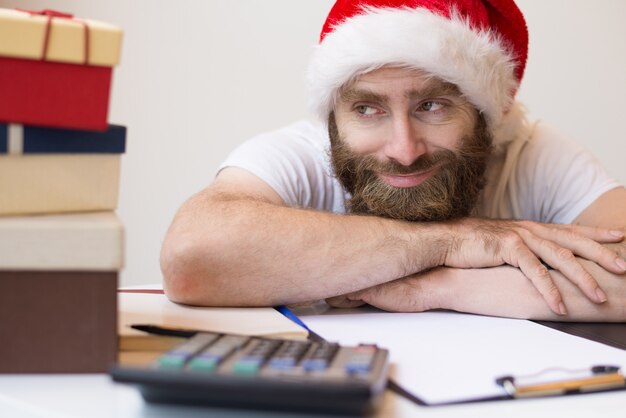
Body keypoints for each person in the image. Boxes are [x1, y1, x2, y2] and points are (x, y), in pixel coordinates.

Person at [160, 0, 626, 321]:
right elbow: (192, 257)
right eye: (367, 109)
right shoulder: (299, 153)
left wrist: (432, 287)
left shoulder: (534, 153)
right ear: (333, 119)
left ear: (486, 117)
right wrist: (450, 243)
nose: (404, 150)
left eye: (433, 106)